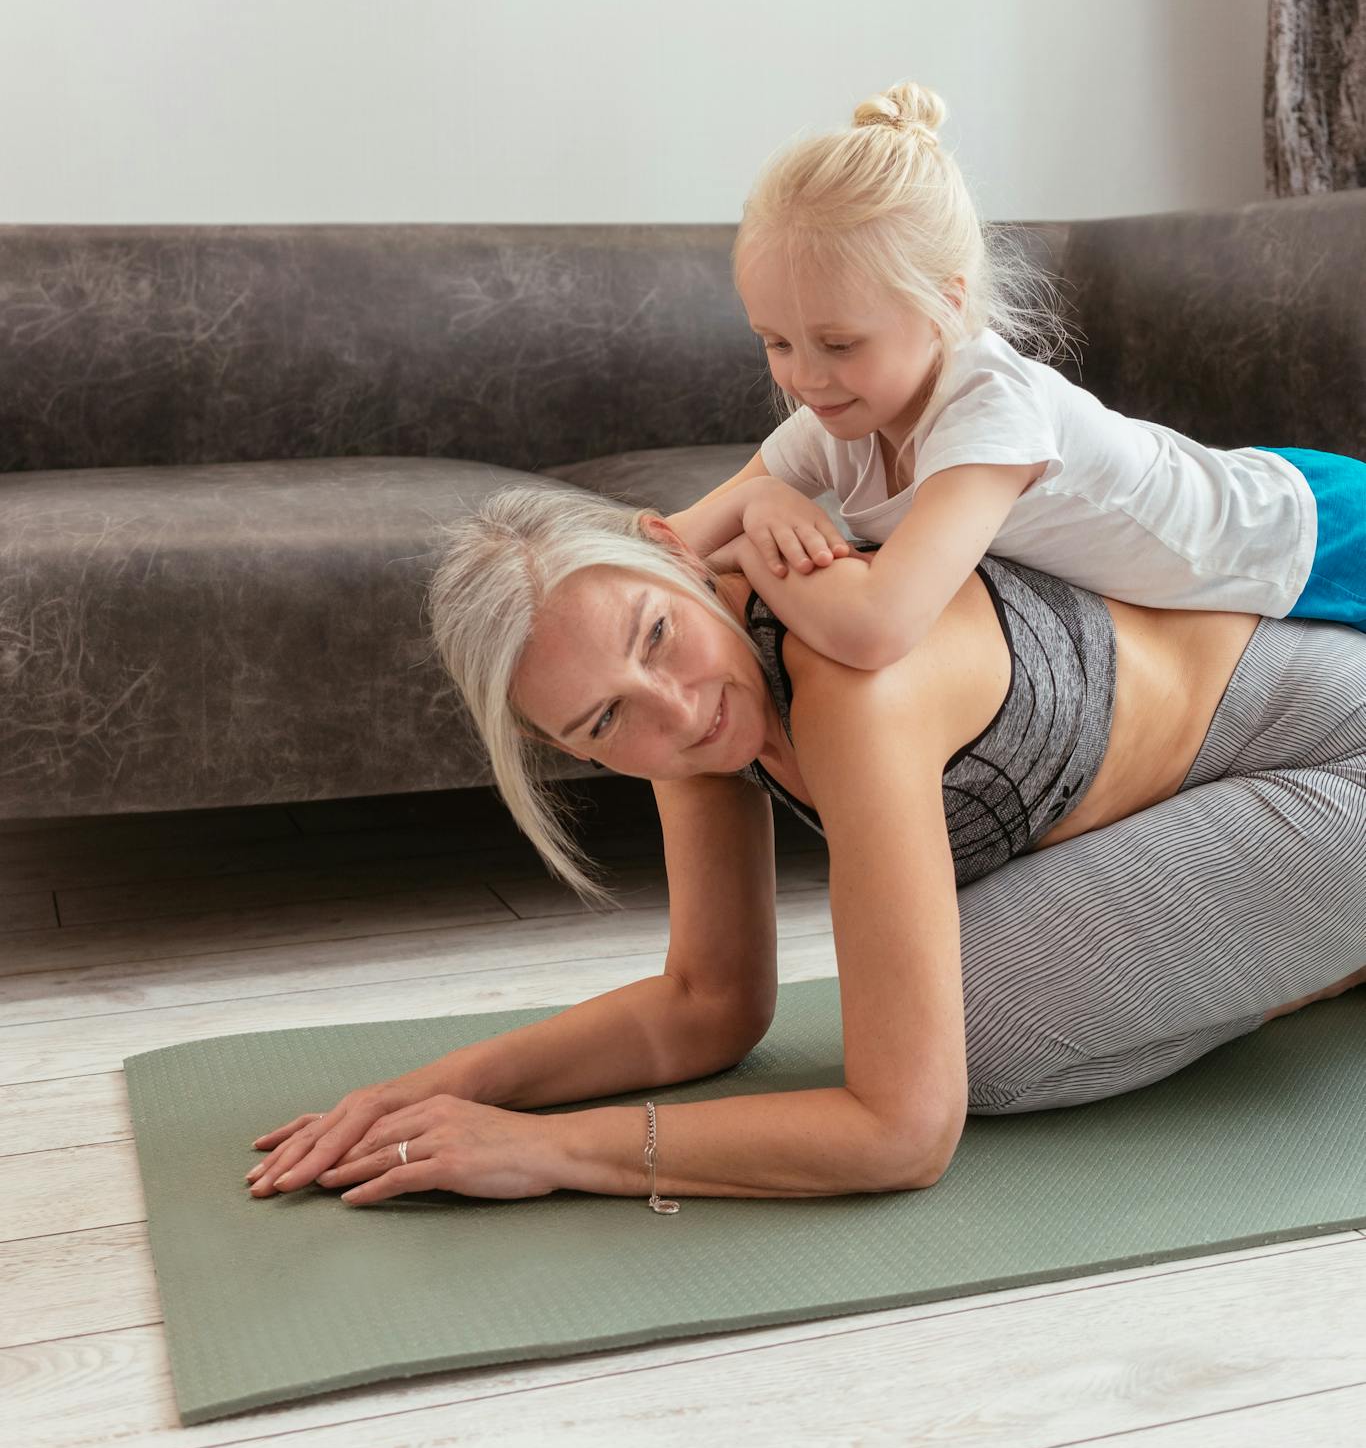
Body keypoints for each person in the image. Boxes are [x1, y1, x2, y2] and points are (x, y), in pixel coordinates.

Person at [244, 487, 1366, 1211]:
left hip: (1339, 751)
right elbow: (707, 999)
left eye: (656, 636)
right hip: (1228, 786)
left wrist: (553, 1152)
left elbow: (901, 1130)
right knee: (939, 998)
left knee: (973, 1028)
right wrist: (435, 1091)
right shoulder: (693, 708)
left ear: (670, 552)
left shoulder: (849, 678)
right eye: (603, 722)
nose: (675, 714)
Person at [665, 81, 1366, 674]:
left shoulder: (987, 410)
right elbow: (669, 543)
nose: (806, 378)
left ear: (945, 304)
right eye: (775, 342)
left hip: (1307, 533)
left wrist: (755, 518)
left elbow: (878, 629)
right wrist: (748, 508)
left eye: (840, 343)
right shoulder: (843, 417)